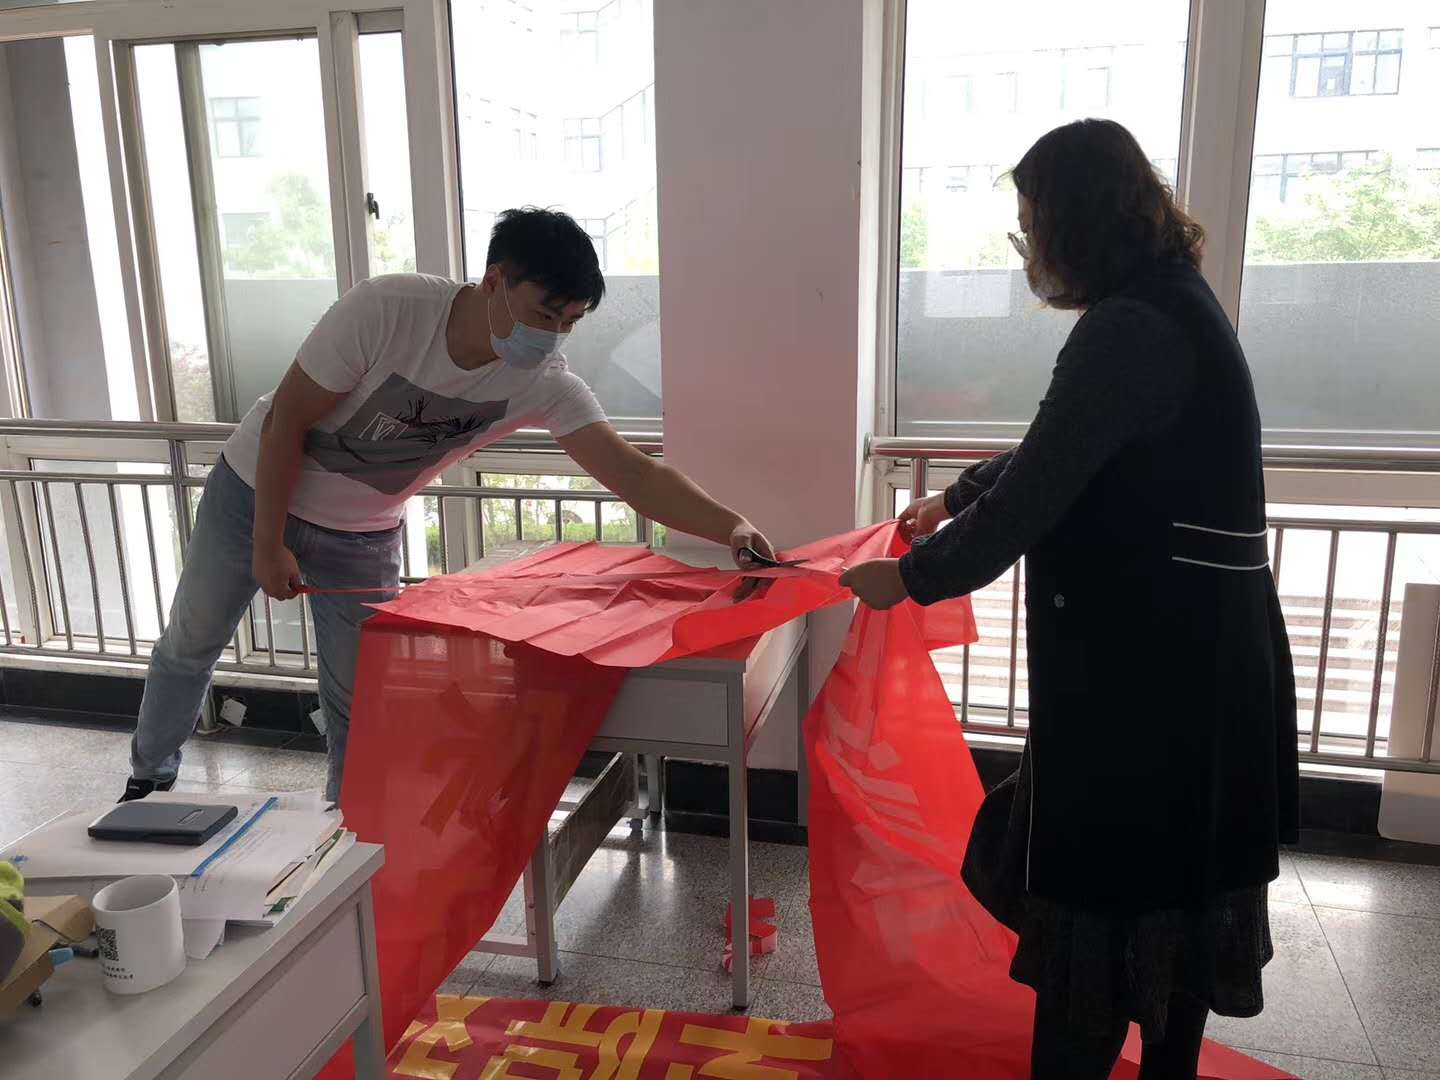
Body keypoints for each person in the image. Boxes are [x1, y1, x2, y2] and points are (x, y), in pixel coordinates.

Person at [841, 120, 1299, 1080]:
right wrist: (956, 497)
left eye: (1031, 227)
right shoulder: (1173, 303)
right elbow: (1067, 445)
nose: (1028, 252)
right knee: (1179, 904)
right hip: (1201, 665)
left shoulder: (1127, 328)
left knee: (1102, 907)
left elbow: (1040, 488)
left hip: (1150, 683)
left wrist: (911, 578)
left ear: (1077, 223)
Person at [127, 207, 774, 804]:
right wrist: (267, 541)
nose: (552, 336)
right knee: (192, 640)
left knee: (361, 695)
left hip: (361, 536)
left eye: (570, 322)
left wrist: (732, 526)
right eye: (545, 313)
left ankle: (350, 829)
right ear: (496, 280)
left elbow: (633, 472)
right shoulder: (390, 309)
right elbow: (288, 417)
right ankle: (148, 780)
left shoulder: (541, 383)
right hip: (253, 490)